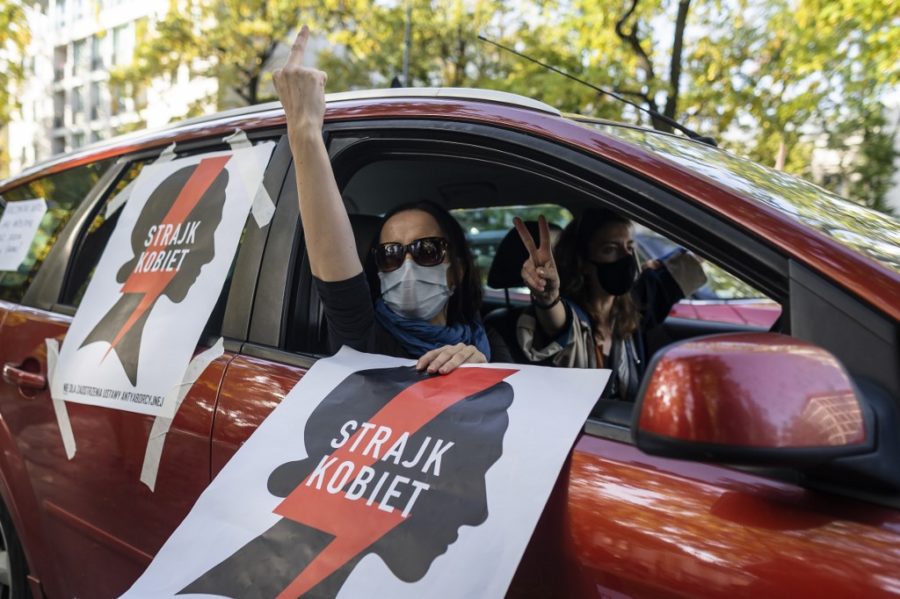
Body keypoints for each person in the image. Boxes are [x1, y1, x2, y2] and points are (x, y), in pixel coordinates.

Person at [273, 26, 508, 371]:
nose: (407, 266)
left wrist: (480, 371)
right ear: (378, 271)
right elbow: (334, 271)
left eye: (427, 250)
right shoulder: (365, 338)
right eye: (390, 255)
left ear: (455, 271)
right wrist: (304, 129)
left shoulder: (488, 342)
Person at [514, 209, 706, 401]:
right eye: (610, 249)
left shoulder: (634, 303)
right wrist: (548, 297)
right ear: (583, 262)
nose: (626, 257)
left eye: (629, 247)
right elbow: (556, 323)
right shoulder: (571, 314)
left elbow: (688, 263)